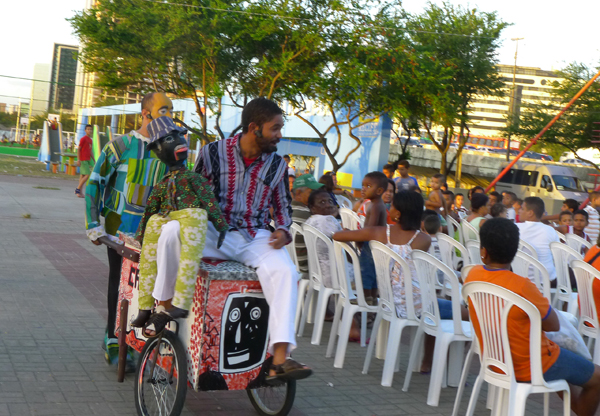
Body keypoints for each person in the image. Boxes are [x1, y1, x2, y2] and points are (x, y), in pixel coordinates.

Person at [194, 97, 311, 383]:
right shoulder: (211, 153)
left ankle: (280, 359)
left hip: (254, 235)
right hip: (212, 231)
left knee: (286, 272)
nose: (279, 135)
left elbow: (282, 206)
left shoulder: (278, 166)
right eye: (275, 128)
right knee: (176, 244)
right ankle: (164, 312)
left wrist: (283, 230)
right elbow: (193, 194)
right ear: (253, 127)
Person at [467, 218, 600, 416]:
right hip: (532, 364)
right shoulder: (522, 286)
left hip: (497, 358)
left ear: (483, 252)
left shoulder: (472, 276)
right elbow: (553, 325)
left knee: (566, 361)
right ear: (515, 252)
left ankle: (580, 409)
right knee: (597, 377)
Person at [84, 92, 173, 370]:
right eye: (163, 109)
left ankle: (137, 339)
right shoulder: (120, 146)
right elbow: (94, 183)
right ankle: (113, 338)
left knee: (146, 288)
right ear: (146, 114)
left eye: (171, 109)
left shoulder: (168, 150)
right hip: (119, 231)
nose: (169, 114)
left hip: (154, 234)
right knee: (120, 284)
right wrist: (93, 225)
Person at [131, 117, 229, 336]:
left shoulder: (194, 179)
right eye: (169, 138)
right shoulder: (162, 183)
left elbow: (209, 202)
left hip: (189, 216)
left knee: (194, 226)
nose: (178, 141)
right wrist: (141, 235)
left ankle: (180, 303)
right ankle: (145, 306)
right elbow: (149, 212)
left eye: (178, 135)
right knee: (152, 231)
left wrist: (221, 225)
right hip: (166, 217)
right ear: (157, 149)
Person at [358, 171, 389, 302]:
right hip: (374, 246)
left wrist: (358, 238)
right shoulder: (373, 204)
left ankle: (366, 302)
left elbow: (370, 230)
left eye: (368, 186)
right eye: (363, 185)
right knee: (372, 275)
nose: (363, 189)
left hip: (371, 246)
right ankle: (371, 302)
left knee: (366, 274)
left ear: (379, 190)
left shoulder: (376, 206)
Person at [517, 197, 560, 285]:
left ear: (530, 213)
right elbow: (558, 256)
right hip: (546, 281)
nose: (519, 211)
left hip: (519, 279)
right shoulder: (550, 230)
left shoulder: (514, 228)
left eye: (522, 208)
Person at [291, 174, 325, 276]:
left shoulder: (288, 210)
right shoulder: (309, 217)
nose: (317, 195)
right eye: (312, 192)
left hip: (291, 264)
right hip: (308, 270)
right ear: (298, 193)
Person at [75, 125, 95, 198]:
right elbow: (79, 149)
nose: (89, 130)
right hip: (82, 159)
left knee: (82, 175)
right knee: (87, 175)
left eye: (90, 129)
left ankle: (80, 192)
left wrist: (94, 160)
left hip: (87, 160)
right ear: (85, 130)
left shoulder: (90, 140)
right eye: (88, 129)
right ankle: (77, 189)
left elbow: (90, 151)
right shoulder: (83, 139)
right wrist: (78, 159)